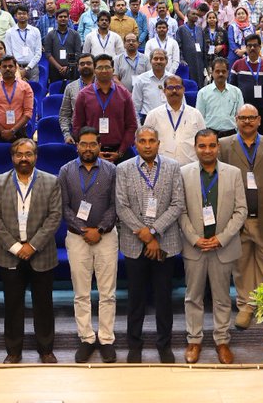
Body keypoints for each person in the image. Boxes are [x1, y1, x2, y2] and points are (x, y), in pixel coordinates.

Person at [0, 138, 63, 364]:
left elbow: (54, 216)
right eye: (19, 154)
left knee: (44, 304)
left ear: (35, 157)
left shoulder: (51, 181)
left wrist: (32, 245)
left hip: (41, 253)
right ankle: (13, 351)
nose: (23, 158)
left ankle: (46, 349)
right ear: (12, 157)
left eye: (28, 154)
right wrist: (15, 246)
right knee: (12, 305)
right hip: (9, 253)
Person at [114, 126, 185, 364]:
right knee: (136, 298)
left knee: (164, 298)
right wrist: (145, 234)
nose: (147, 145)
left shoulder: (173, 167)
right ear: (135, 142)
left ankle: (164, 344)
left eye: (151, 141)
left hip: (165, 242)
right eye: (142, 141)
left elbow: (177, 205)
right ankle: (134, 344)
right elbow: (121, 206)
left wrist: (154, 232)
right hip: (134, 243)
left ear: (158, 143)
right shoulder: (123, 169)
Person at [218, 104, 263, 329]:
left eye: (251, 118)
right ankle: (246, 307)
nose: (247, 122)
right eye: (242, 118)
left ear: (260, 120)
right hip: (236, 220)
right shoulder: (224, 146)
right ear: (236, 120)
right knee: (241, 267)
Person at [179, 128, 247, 365]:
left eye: (211, 146)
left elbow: (241, 211)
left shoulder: (233, 173)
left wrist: (222, 238)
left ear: (218, 147)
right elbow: (180, 210)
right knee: (193, 297)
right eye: (202, 146)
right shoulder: (184, 173)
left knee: (221, 298)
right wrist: (194, 238)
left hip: (223, 246)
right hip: (194, 246)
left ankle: (222, 341)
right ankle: (194, 340)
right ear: (195, 147)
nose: (207, 150)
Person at [58, 128, 120, 363]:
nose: (87, 148)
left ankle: (105, 339)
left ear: (99, 145)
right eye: (83, 144)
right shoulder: (65, 171)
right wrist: (84, 230)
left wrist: (100, 229)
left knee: (107, 293)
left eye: (92, 144)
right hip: (77, 237)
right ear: (77, 146)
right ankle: (86, 338)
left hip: (106, 237)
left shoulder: (111, 170)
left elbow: (116, 205)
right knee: (81, 293)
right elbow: (64, 207)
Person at [72, 53, 137, 160]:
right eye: (100, 67)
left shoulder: (124, 94)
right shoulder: (83, 95)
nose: (104, 70)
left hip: (120, 153)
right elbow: (77, 126)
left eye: (107, 67)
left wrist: (120, 152)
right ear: (94, 70)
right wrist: (90, 150)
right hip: (91, 153)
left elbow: (132, 126)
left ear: (113, 69)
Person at [145, 74, 205, 165]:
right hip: (162, 168)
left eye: (178, 87)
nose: (174, 91)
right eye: (170, 88)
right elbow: (146, 144)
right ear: (164, 91)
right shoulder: (153, 115)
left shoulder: (195, 114)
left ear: (183, 90)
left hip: (190, 168)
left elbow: (204, 142)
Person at [229, 34, 263, 136]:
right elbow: (231, 90)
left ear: (260, 47)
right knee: (244, 140)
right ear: (245, 48)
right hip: (243, 110)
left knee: (262, 141)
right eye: (249, 45)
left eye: (255, 45)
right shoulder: (237, 65)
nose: (252, 48)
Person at [0, 54, 34, 143]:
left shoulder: (25, 87)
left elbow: (28, 113)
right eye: (4, 66)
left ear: (15, 68)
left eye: (10, 66)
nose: (7, 69)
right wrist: (2, 131)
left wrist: (13, 130)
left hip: (19, 132)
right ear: (0, 68)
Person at [196, 58, 245, 139]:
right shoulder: (203, 93)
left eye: (224, 71)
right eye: (217, 71)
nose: (221, 74)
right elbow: (199, 118)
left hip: (232, 134)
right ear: (212, 72)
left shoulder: (236, 92)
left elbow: (240, 117)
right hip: (210, 135)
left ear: (228, 73)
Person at [131, 49, 170, 122]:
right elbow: (135, 107)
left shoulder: (172, 79)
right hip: (148, 120)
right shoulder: (141, 79)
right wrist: (139, 126)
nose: (158, 61)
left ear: (166, 61)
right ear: (150, 61)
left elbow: (181, 103)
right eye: (155, 59)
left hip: (169, 120)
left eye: (161, 59)